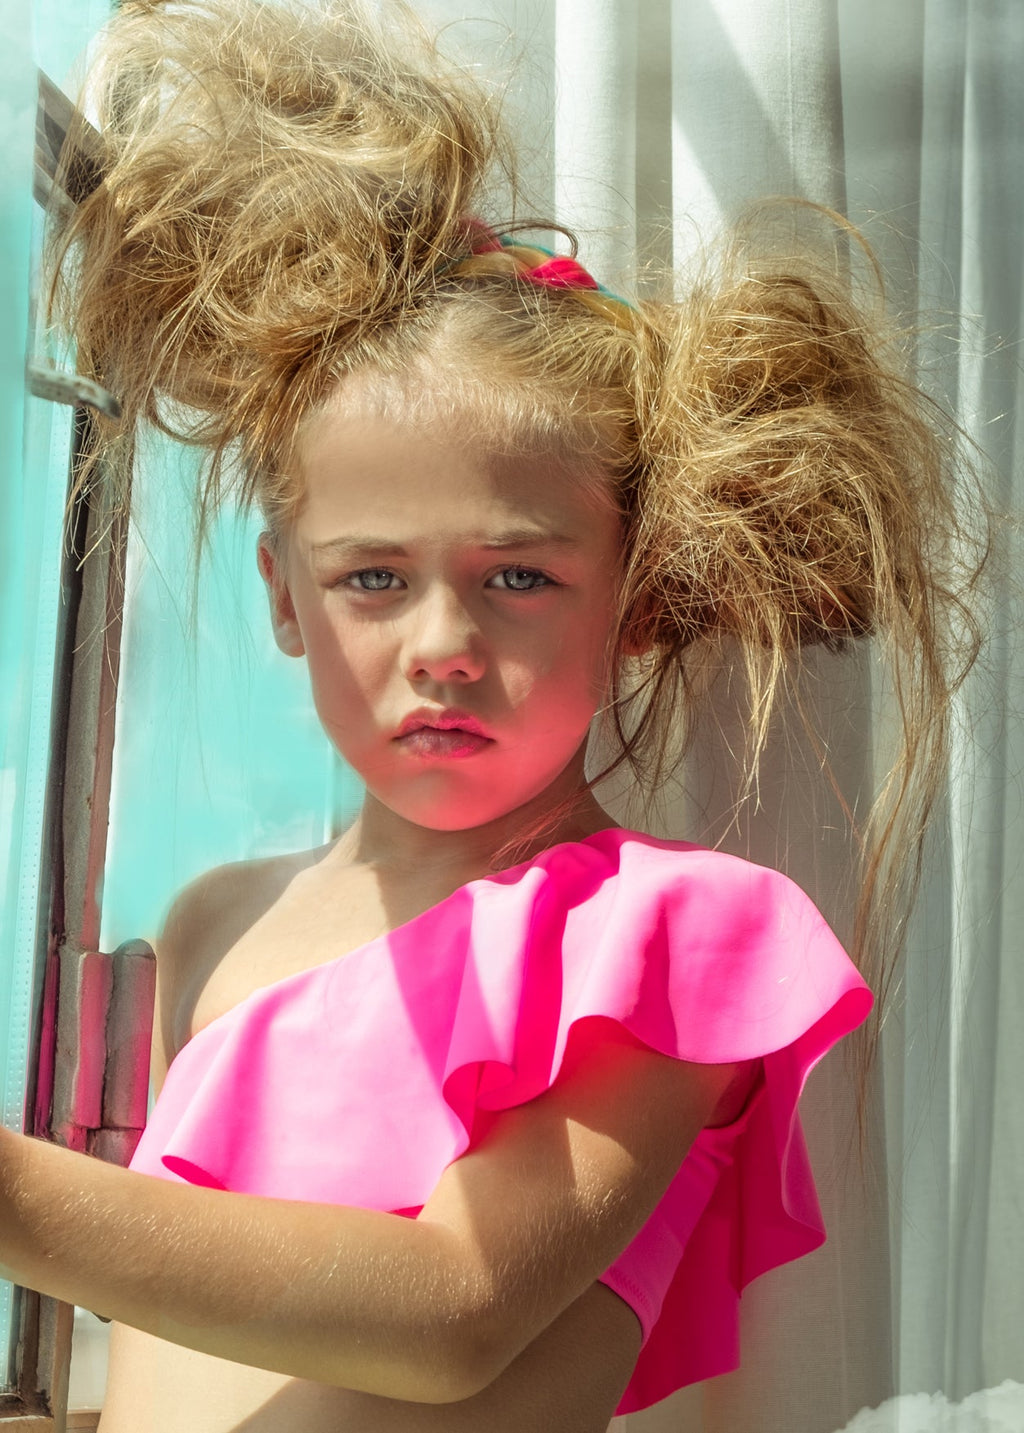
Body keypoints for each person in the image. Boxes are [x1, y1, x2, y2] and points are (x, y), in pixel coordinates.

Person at [2, 2, 981, 1429]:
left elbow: (455, 1313)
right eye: (373, 579)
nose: (444, 647)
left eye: (518, 576)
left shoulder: (660, 937)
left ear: (636, 597)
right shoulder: (213, 924)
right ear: (285, 596)